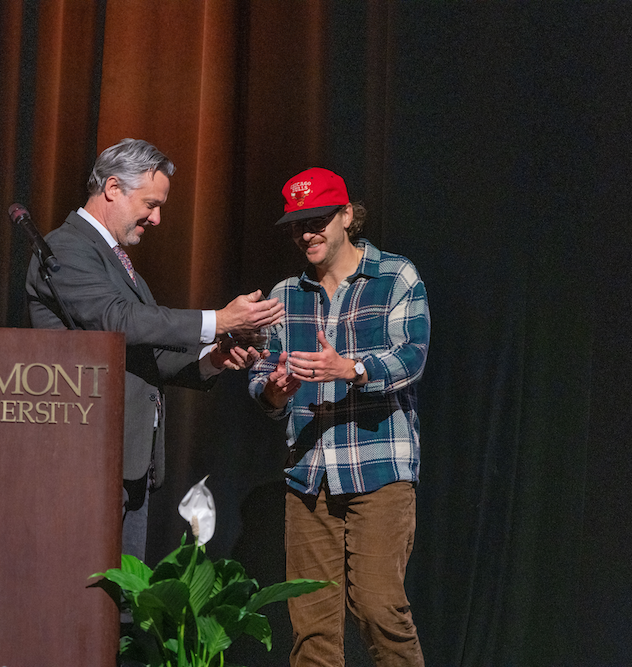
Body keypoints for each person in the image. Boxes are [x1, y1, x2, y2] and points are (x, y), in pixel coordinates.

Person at [26, 138, 283, 561]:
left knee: (123, 605)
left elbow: (144, 351)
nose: (158, 218)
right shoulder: (65, 249)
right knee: (91, 593)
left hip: (127, 458)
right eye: (150, 203)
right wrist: (218, 320)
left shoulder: (113, 258)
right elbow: (119, 320)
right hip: (86, 453)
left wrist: (212, 358)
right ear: (112, 188)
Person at [248, 167, 430, 666]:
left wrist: (351, 369)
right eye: (297, 224)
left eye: (318, 220)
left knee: (378, 609)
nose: (307, 233)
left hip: (378, 469)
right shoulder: (285, 295)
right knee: (311, 628)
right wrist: (274, 389)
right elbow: (262, 373)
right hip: (309, 476)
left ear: (347, 216)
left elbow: (412, 356)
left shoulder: (395, 276)